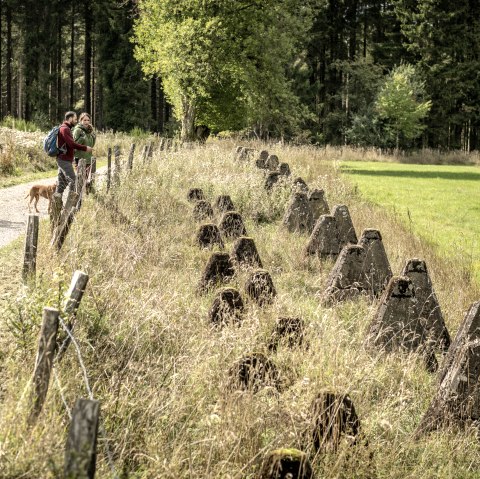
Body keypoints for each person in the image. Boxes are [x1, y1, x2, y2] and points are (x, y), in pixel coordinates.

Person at [56, 111, 93, 195]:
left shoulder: (65, 128)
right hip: (64, 160)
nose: (76, 121)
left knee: (62, 184)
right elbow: (71, 144)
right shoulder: (65, 129)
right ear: (70, 118)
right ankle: (71, 205)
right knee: (74, 181)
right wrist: (85, 148)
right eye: (75, 119)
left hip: (65, 159)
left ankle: (55, 205)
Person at [73, 112, 96, 192]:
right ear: (81, 120)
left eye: (88, 120)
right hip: (79, 159)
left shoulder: (90, 131)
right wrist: (82, 138)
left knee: (85, 179)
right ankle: (78, 198)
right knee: (80, 180)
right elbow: (74, 145)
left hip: (88, 158)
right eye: (84, 120)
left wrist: (93, 137)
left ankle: (84, 198)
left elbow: (91, 145)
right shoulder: (77, 130)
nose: (86, 122)